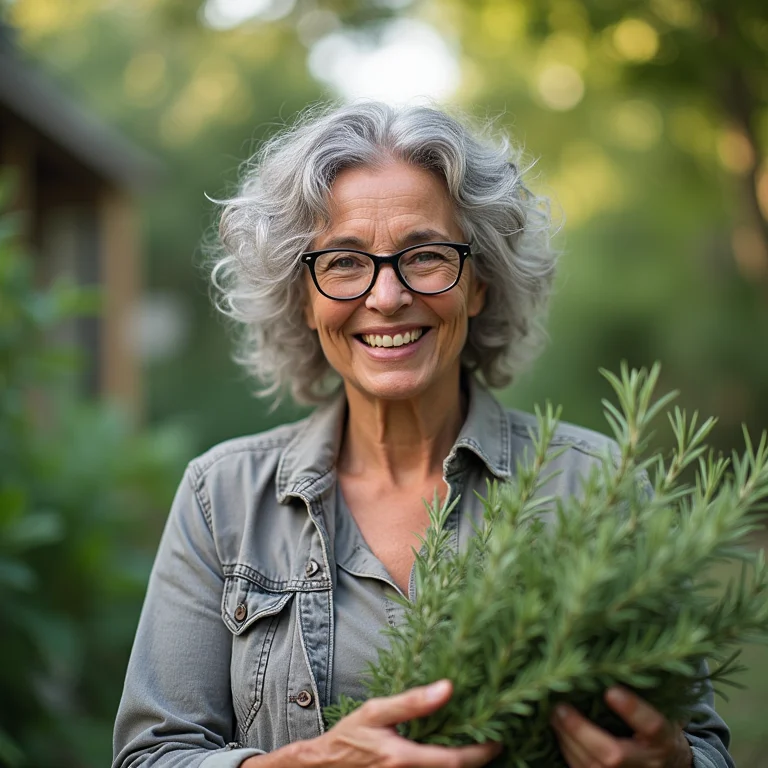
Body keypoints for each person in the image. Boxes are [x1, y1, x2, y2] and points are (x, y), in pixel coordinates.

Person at [112, 102, 733, 768]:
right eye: (345, 262)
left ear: (480, 284)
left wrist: (673, 763)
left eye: (427, 256)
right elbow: (152, 755)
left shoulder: (600, 484)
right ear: (304, 296)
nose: (386, 297)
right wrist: (307, 764)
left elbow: (701, 746)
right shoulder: (224, 499)